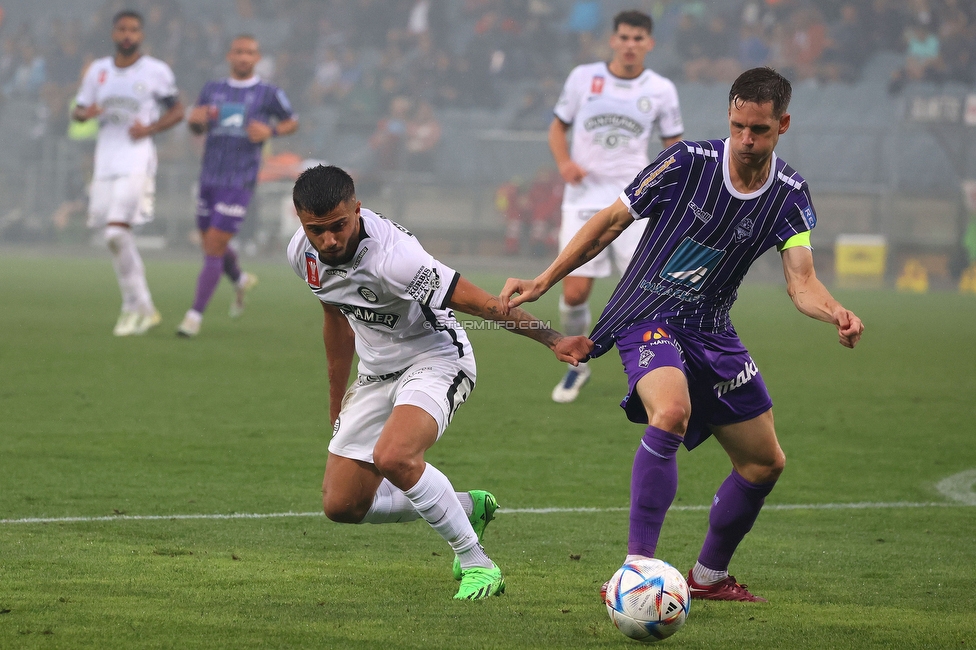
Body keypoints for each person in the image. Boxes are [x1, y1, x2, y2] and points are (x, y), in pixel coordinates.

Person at [501, 67, 864, 602]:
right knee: (670, 412)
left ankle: (709, 578)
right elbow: (608, 222)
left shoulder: (789, 196)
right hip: (648, 316)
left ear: (782, 124)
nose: (745, 139)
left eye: (759, 130)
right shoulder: (685, 164)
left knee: (765, 463)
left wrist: (835, 311)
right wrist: (544, 278)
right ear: (729, 115)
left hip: (713, 331)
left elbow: (802, 281)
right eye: (738, 125)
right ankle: (635, 570)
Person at [287, 165, 589, 600]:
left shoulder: (397, 260)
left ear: (357, 209)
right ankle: (469, 508)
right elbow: (335, 319)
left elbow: (483, 304)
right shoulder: (303, 254)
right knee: (343, 506)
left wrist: (553, 338)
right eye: (317, 230)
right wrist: (338, 401)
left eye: (339, 225)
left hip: (436, 360)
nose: (329, 240)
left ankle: (478, 563)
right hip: (374, 374)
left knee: (395, 457)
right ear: (301, 222)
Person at [547, 9, 684, 403]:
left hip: (635, 201)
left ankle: (655, 373)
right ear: (613, 40)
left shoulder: (661, 89)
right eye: (623, 37)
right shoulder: (582, 78)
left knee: (647, 293)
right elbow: (558, 126)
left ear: (649, 44)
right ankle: (579, 368)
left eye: (638, 39)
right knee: (573, 294)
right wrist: (564, 163)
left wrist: (666, 188)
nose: (630, 45)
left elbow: (674, 146)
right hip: (584, 200)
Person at [177, 35, 298, 337]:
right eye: (239, 52)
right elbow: (196, 124)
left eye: (250, 52)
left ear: (257, 58)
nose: (244, 57)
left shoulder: (268, 93)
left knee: (215, 245)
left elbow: (292, 121)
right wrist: (194, 121)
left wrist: (269, 130)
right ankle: (241, 279)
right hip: (209, 175)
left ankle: (193, 317)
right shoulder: (212, 89)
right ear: (230, 56)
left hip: (239, 179)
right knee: (210, 243)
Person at [72, 9, 184, 336]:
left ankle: (131, 307)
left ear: (141, 35)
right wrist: (85, 113)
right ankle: (144, 309)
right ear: (113, 33)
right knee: (115, 238)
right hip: (105, 160)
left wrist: (150, 128)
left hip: (137, 159)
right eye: (122, 29)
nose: (127, 35)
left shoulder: (155, 71)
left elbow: (177, 110)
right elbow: (79, 111)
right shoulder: (98, 71)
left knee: (116, 233)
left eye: (133, 30)